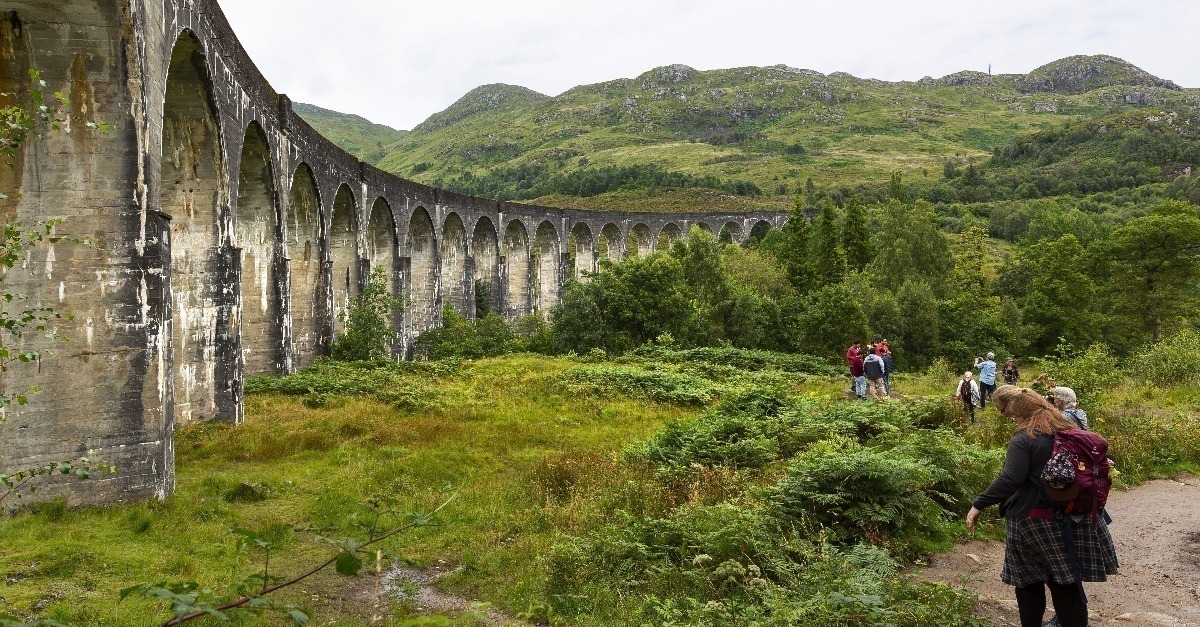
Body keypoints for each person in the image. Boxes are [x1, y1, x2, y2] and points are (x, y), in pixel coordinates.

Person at [966, 386, 1118, 627]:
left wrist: (978, 505)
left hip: (1030, 522)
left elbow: (1011, 479)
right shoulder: (1067, 431)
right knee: (1066, 585)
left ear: (1023, 413)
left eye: (1013, 415)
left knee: (1028, 583)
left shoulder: (1024, 439)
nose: (1011, 419)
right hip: (1069, 518)